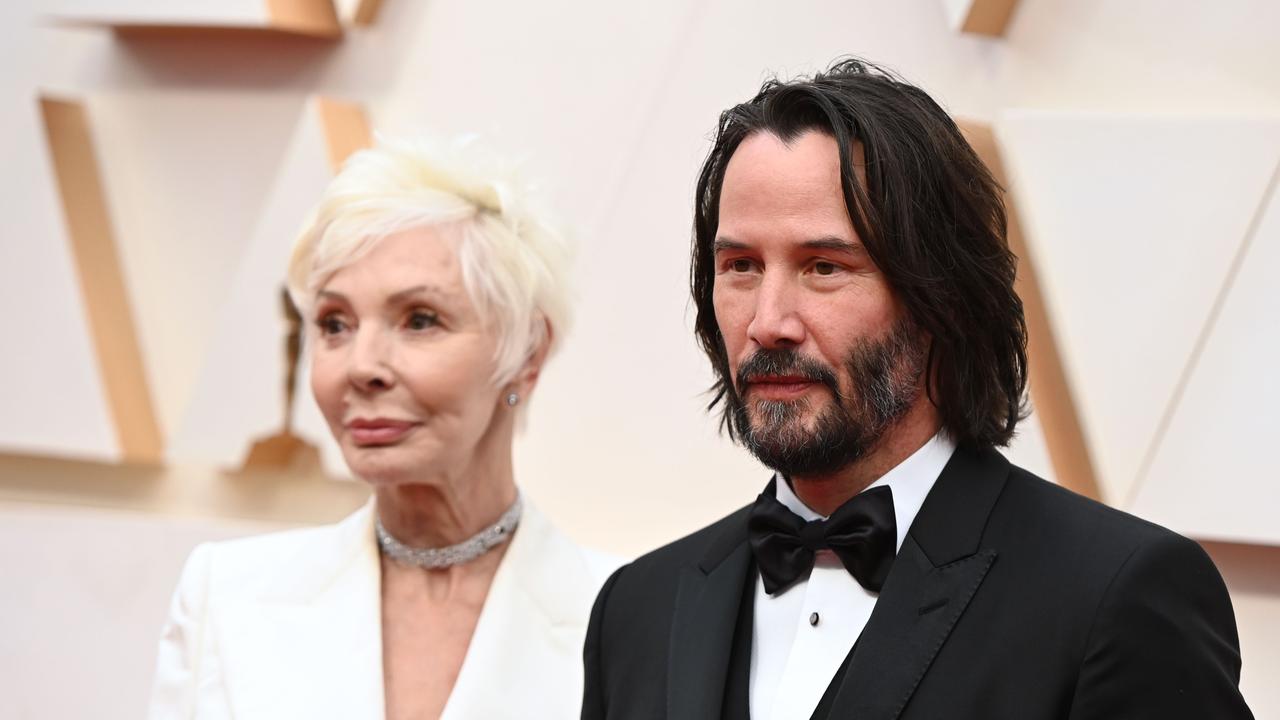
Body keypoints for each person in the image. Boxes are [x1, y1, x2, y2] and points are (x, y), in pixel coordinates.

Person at [581, 58, 1252, 719]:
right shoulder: (637, 611)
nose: (768, 323)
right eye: (742, 267)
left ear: (942, 300)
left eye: (823, 266)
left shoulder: (1114, 596)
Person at [149, 135, 620, 719]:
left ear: (527, 351)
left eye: (420, 320)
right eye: (334, 323)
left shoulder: (635, 619)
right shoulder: (226, 597)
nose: (362, 366)